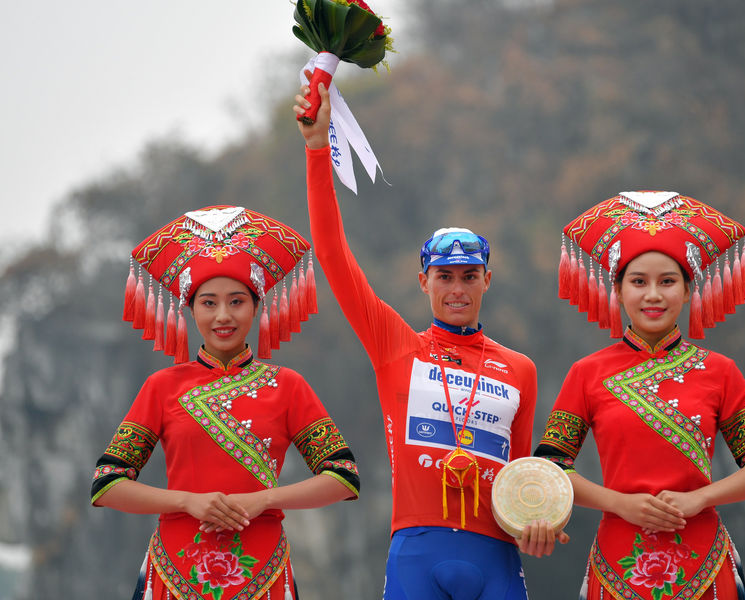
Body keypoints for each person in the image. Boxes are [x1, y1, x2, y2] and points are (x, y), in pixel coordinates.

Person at [295, 82, 555, 600]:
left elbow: (521, 483)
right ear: (423, 282)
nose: (457, 289)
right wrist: (317, 148)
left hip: (496, 556)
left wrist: (539, 524)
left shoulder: (520, 369)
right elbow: (331, 253)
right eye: (445, 277)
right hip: (416, 552)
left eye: (468, 276)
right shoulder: (396, 346)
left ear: (486, 280)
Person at [91, 205, 360, 600]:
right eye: (208, 303)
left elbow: (343, 476)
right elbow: (107, 483)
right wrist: (188, 501)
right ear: (190, 309)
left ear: (256, 306)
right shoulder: (161, 387)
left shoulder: (288, 385)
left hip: (263, 569)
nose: (223, 316)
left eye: (236, 302)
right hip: (174, 570)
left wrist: (264, 499)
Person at [531, 192, 745, 600]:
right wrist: (620, 503)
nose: (653, 295)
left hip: (704, 560)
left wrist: (700, 498)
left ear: (687, 291)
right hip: (617, 561)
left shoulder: (720, 371)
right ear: (617, 291)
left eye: (667, 281)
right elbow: (551, 467)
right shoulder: (586, 373)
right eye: (638, 282)